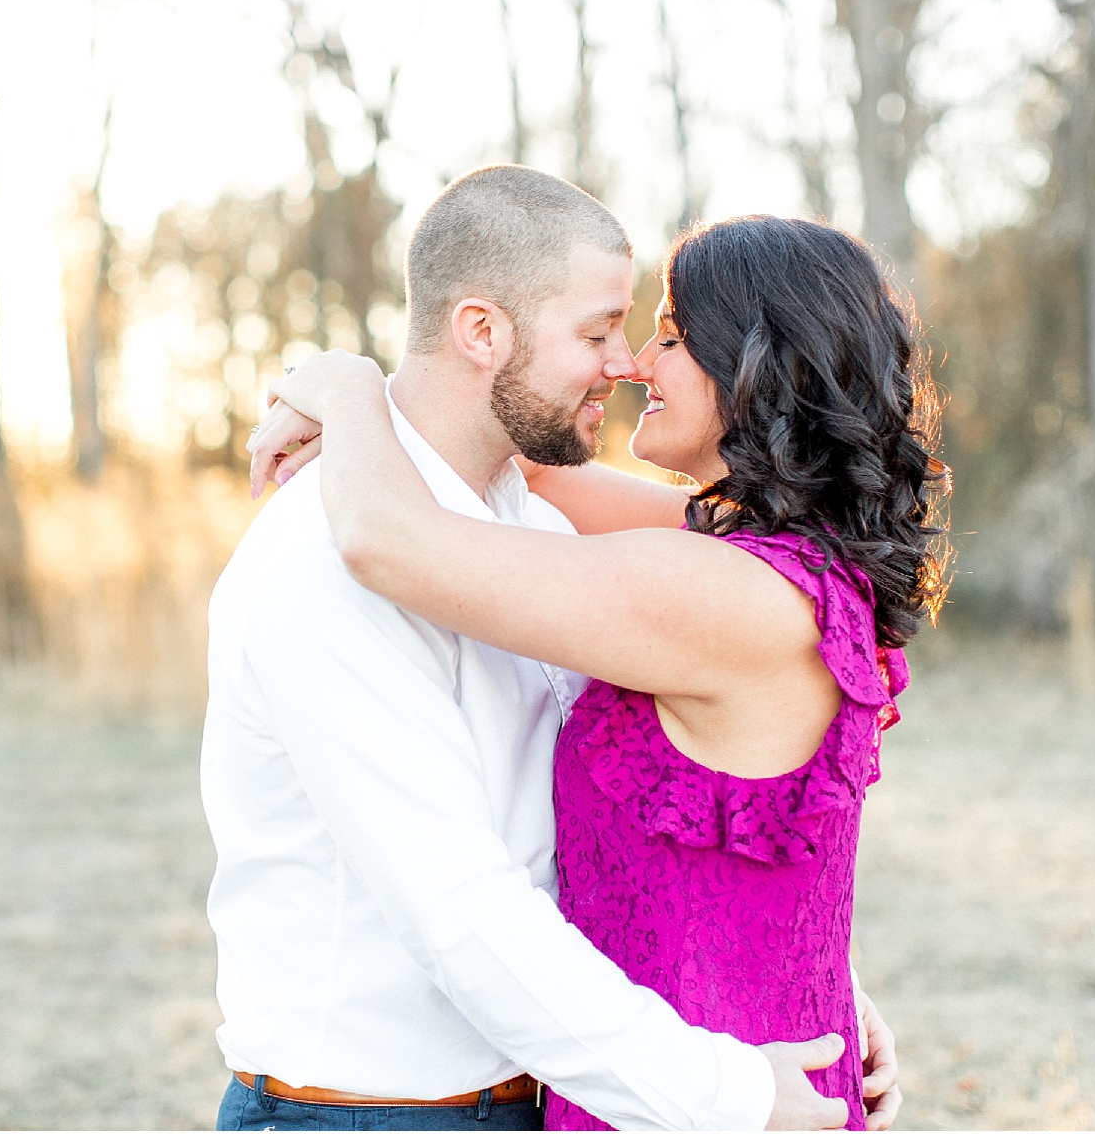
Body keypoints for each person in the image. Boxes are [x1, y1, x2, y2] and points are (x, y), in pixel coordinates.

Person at [204, 166, 899, 1131]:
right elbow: (462, 911)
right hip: (373, 1113)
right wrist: (355, 391)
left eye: (653, 332)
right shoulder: (331, 557)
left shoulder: (564, 545)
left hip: (581, 1088)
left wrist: (345, 383)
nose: (626, 364)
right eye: (601, 330)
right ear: (484, 331)